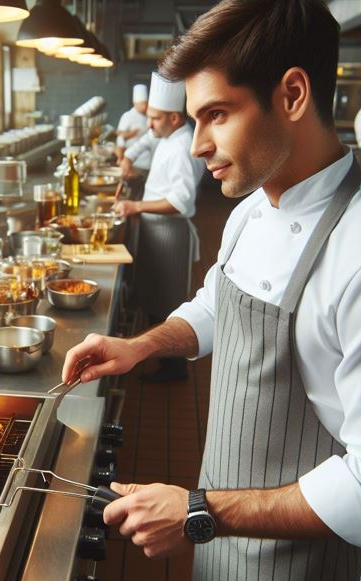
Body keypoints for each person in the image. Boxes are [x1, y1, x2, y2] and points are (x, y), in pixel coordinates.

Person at [61, 1, 361, 581]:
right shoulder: (254, 209)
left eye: (216, 115)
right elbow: (215, 303)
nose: (197, 146)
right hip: (220, 535)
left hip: (298, 573)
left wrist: (203, 508)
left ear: (291, 94)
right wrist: (143, 344)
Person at [113, 71, 205, 382]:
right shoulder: (167, 134)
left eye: (154, 118)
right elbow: (143, 141)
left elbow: (181, 201)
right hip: (157, 231)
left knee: (168, 303)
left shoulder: (181, 148)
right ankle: (164, 363)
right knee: (156, 300)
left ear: (176, 117)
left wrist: (135, 205)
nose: (148, 124)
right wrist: (127, 157)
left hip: (170, 235)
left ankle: (174, 369)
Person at [114, 83, 155, 171]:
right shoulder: (128, 116)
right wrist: (120, 157)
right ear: (135, 103)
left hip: (149, 160)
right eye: (142, 104)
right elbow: (120, 137)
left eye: (146, 103)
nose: (145, 106)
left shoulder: (149, 116)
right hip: (133, 161)